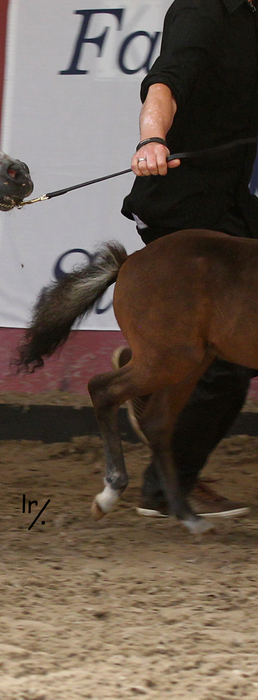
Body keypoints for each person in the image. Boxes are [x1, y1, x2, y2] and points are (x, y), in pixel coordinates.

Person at [119, 0, 258, 519]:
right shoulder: (204, 10)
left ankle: (149, 372)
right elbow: (165, 82)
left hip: (237, 203)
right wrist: (152, 138)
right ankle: (166, 487)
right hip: (185, 201)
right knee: (231, 361)